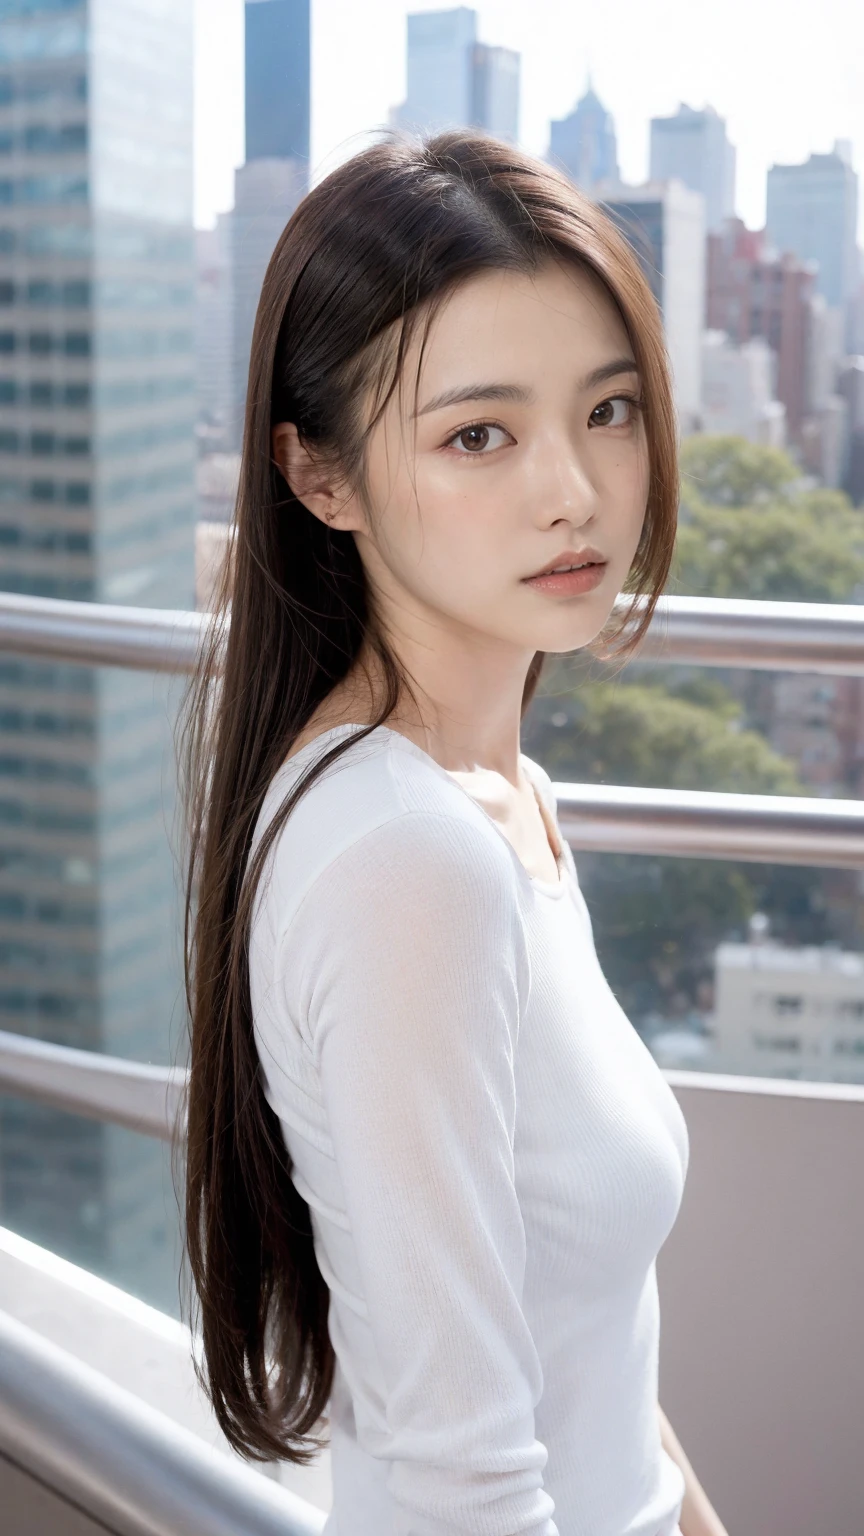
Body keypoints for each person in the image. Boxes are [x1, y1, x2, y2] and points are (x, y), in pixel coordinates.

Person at [179, 129, 729, 1536]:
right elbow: (459, 1491)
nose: (575, 489)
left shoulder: (502, 803)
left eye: (608, 410)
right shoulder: (404, 864)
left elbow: (578, 1353)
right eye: (479, 434)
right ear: (324, 480)